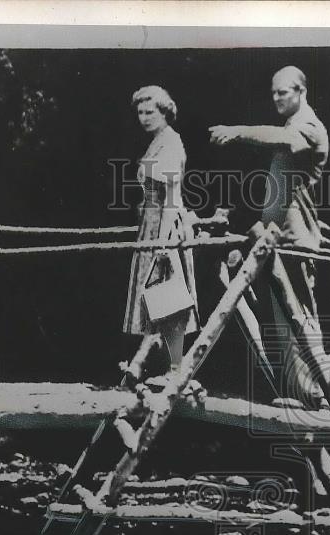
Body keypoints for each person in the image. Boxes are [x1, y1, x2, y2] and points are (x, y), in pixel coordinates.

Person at [209, 66, 330, 406]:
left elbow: (282, 139)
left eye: (283, 92)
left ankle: (312, 393)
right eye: (273, 92)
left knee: (299, 315)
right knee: (282, 315)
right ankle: (298, 391)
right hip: (280, 239)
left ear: (301, 91)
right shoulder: (295, 125)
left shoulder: (308, 127)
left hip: (294, 241)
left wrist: (237, 131)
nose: (276, 98)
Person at [123, 85, 198, 371]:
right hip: (151, 223)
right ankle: (155, 366)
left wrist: (164, 242)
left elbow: (172, 197)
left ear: (164, 111)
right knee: (152, 296)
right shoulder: (156, 141)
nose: (144, 117)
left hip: (165, 225)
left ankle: (174, 368)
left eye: (150, 112)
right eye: (140, 112)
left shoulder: (171, 142)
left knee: (168, 295)